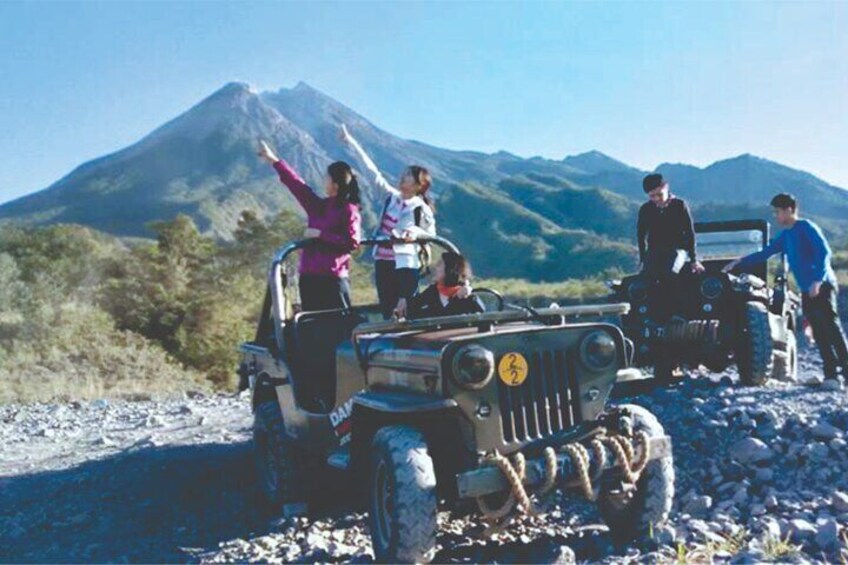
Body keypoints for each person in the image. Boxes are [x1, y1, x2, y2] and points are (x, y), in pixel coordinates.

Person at [724, 193, 848, 382]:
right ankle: (831, 374)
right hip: (807, 289)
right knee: (818, 331)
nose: (776, 216)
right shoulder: (786, 235)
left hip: (822, 285)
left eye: (778, 212)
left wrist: (817, 280)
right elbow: (765, 253)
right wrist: (739, 262)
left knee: (831, 327)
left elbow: (824, 252)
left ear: (789, 210)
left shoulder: (806, 227)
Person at [339, 124, 436, 319]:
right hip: (383, 263)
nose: (403, 177)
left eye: (408, 176)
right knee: (388, 310)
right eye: (404, 174)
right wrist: (350, 142)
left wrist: (415, 233)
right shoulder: (391, 198)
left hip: (405, 265)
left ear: (418, 185)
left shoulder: (420, 208)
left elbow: (431, 234)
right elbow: (372, 173)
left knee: (407, 311)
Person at [257, 139, 361, 311]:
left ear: (335, 184)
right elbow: (297, 185)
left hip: (333, 278)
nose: (324, 181)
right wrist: (272, 159)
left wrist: (321, 234)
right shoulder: (319, 206)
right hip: (309, 276)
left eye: (326, 178)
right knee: (312, 322)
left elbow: (352, 242)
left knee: (337, 322)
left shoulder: (349, 210)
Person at [637, 173, 705, 321]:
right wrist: (643, 259)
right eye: (652, 196)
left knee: (670, 272)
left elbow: (690, 233)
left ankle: (678, 312)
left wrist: (694, 259)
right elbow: (641, 237)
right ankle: (654, 315)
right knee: (649, 277)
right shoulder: (645, 209)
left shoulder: (679, 205)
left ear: (666, 188)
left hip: (677, 249)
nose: (656, 199)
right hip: (655, 250)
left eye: (659, 195)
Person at [406, 252, 483, 319]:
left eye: (440, 264)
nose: (436, 268)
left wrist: (458, 297)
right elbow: (412, 310)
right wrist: (404, 301)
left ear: (450, 269)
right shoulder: (433, 291)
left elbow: (482, 316)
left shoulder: (467, 297)